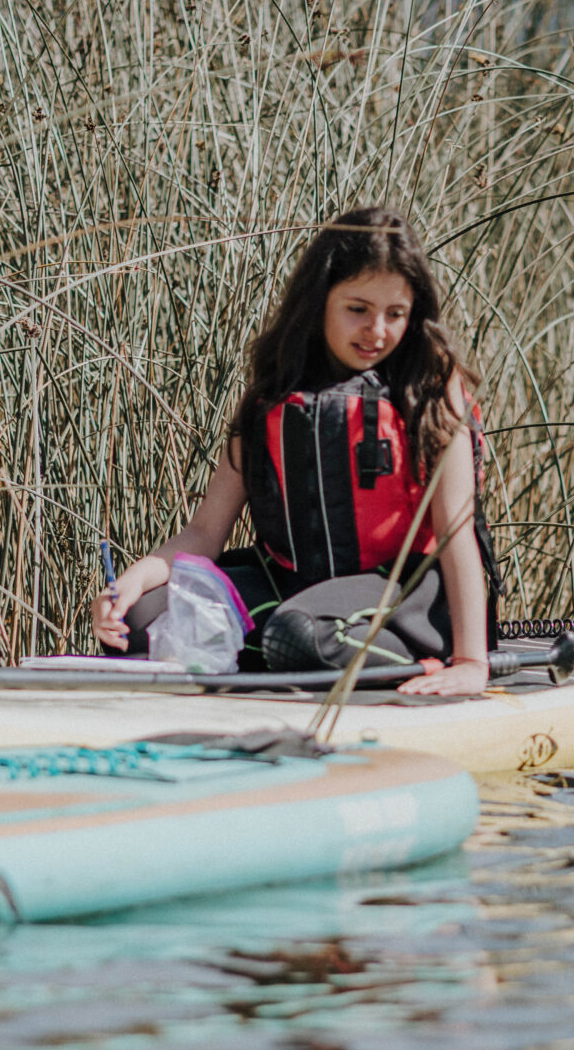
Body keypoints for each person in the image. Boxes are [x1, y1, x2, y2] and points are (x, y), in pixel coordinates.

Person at [90, 207, 494, 695]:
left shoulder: (432, 392)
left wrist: (472, 662)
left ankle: (413, 660)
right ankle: (281, 653)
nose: (378, 331)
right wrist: (134, 581)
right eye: (358, 309)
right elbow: (204, 530)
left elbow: (456, 534)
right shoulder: (274, 393)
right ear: (320, 301)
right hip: (293, 588)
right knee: (142, 622)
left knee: (302, 634)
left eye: (396, 314)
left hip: (400, 595)